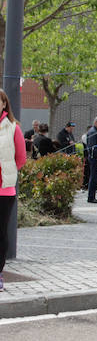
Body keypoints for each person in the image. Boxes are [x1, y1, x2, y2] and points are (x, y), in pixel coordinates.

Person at [0, 89, 28, 291]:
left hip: (4, 190)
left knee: (0, 233)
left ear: (4, 104)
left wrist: (7, 171)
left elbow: (21, 158)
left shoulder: (12, 128)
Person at [85, 116, 97, 203]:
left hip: (96, 158)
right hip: (94, 159)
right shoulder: (93, 132)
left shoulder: (96, 131)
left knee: (95, 177)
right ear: (95, 122)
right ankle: (91, 197)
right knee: (93, 178)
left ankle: (92, 196)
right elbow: (92, 147)